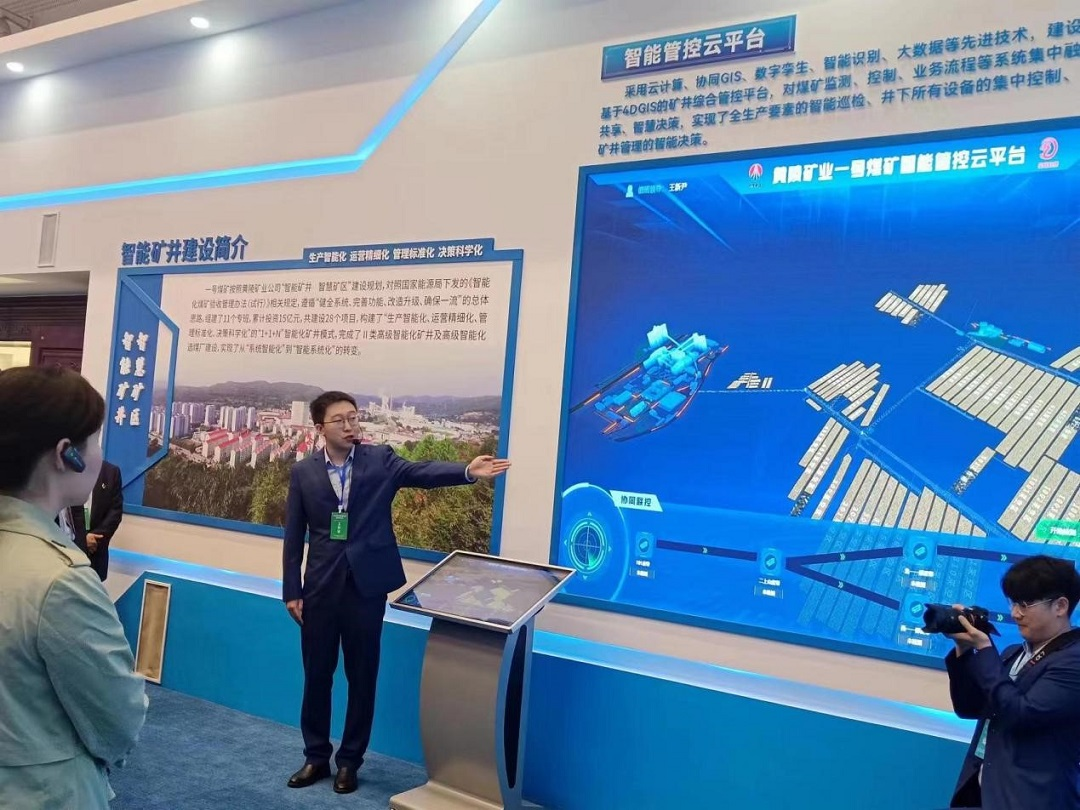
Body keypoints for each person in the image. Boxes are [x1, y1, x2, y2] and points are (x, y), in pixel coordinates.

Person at [283, 391, 510, 794]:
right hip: (319, 590)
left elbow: (421, 472)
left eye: (354, 417)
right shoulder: (303, 472)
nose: (350, 426)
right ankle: (315, 756)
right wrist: (292, 590)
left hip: (366, 588)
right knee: (317, 677)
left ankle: (349, 762)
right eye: (340, 420)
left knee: (362, 678)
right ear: (319, 428)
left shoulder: (380, 460)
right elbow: (293, 535)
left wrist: (467, 471)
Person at [0, 366, 148, 810]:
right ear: (67, 455)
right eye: (95, 441)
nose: (100, 455)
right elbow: (117, 720)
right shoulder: (61, 578)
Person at [944, 554, 1080, 810]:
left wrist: (985, 649)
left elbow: (1021, 714)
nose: (1015, 613)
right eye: (1013, 602)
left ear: (1060, 606)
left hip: (1030, 799)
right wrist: (965, 651)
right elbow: (969, 707)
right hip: (982, 792)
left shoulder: (1073, 661)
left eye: (1025, 604)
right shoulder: (1013, 653)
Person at [70, 459, 124, 581]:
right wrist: (82, 539)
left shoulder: (111, 472)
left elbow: (115, 512)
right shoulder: (68, 469)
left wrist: (94, 539)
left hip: (97, 553)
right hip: (71, 553)